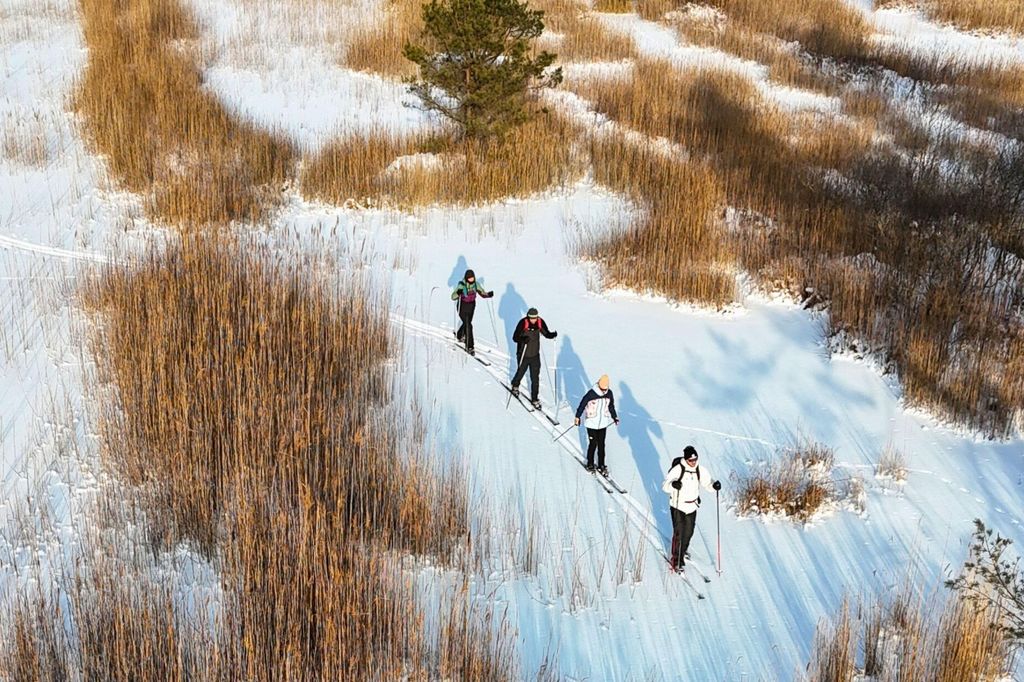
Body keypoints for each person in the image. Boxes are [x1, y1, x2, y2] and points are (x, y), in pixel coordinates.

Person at [662, 445, 721, 575]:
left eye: (695, 459)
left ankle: (683, 551)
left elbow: (707, 483)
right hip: (677, 506)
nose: (693, 462)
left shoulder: (700, 469)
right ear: (686, 459)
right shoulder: (678, 469)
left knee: (688, 532)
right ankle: (677, 560)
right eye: (691, 460)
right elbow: (665, 486)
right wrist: (673, 484)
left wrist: (714, 486)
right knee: (679, 533)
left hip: (692, 506)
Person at [510, 307, 557, 408]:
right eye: (531, 318)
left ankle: (535, 398)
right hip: (523, 353)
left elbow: (546, 333)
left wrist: (552, 335)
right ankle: (515, 385)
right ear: (528, 316)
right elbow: (515, 337)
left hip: (535, 355)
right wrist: (523, 339)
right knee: (521, 372)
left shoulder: (540, 322)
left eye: (535, 318)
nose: (533, 320)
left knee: (535, 377)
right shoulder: (523, 323)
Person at [574, 374, 619, 475]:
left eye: (605, 389)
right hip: (591, 423)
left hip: (603, 424)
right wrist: (577, 417)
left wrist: (615, 417)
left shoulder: (609, 394)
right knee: (593, 444)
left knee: (602, 445)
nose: (603, 391)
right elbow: (582, 405)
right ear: (598, 385)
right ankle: (590, 463)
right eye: (602, 389)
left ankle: (601, 465)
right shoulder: (591, 394)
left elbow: (611, 406)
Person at [450, 269, 493, 354]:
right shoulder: (461, 285)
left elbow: (482, 293)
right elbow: (453, 297)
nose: (471, 280)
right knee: (469, 326)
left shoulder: (476, 285)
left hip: (471, 306)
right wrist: (458, 293)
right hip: (462, 306)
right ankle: (470, 346)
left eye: (472, 278)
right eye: (469, 278)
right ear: (466, 278)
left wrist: (488, 294)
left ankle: (460, 335)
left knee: (467, 323)